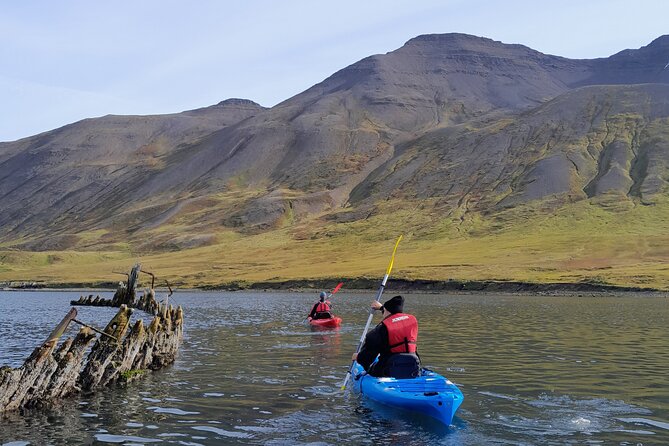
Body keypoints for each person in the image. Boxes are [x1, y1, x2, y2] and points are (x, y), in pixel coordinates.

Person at [352, 295, 420, 378]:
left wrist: (358, 357)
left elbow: (367, 358)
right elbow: (394, 315)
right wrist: (382, 308)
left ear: (386, 310)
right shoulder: (412, 320)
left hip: (389, 370)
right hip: (413, 367)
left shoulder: (380, 329)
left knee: (369, 365)